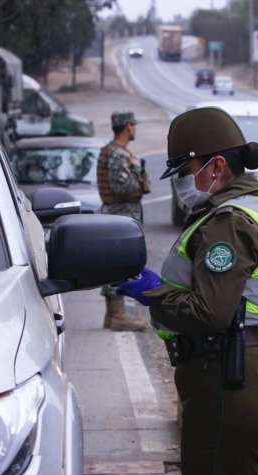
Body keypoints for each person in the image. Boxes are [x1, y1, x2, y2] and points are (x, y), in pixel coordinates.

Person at [117, 106, 258, 475]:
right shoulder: (255, 208)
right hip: (242, 372)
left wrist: (154, 294)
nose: (186, 180)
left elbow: (211, 313)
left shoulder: (228, 221)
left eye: (188, 169)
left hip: (229, 380)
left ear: (218, 165)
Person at [97, 110, 150, 331]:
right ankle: (118, 315)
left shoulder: (113, 151)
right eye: (134, 125)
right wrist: (138, 170)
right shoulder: (119, 155)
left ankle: (112, 314)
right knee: (119, 263)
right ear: (128, 127)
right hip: (120, 216)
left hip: (117, 215)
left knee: (112, 262)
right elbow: (122, 188)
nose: (135, 129)